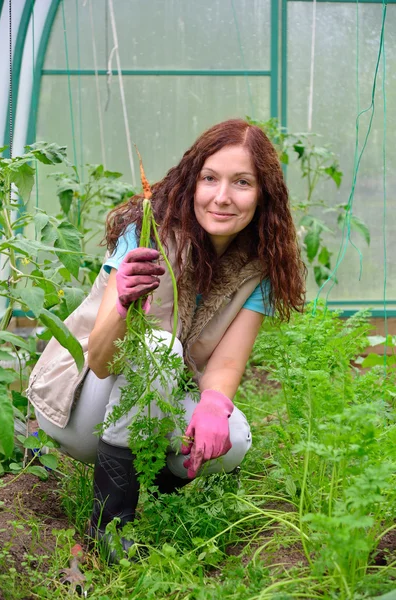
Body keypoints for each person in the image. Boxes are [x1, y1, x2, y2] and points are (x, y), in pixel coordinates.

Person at [27, 118, 305, 559]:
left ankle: (153, 498)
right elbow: (99, 359)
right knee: (160, 346)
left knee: (233, 436)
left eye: (242, 183)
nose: (222, 196)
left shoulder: (260, 267)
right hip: (79, 406)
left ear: (264, 194)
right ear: (192, 181)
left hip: (143, 404)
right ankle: (109, 526)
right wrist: (121, 303)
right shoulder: (147, 233)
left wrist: (213, 405)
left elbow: (227, 363)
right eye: (210, 178)